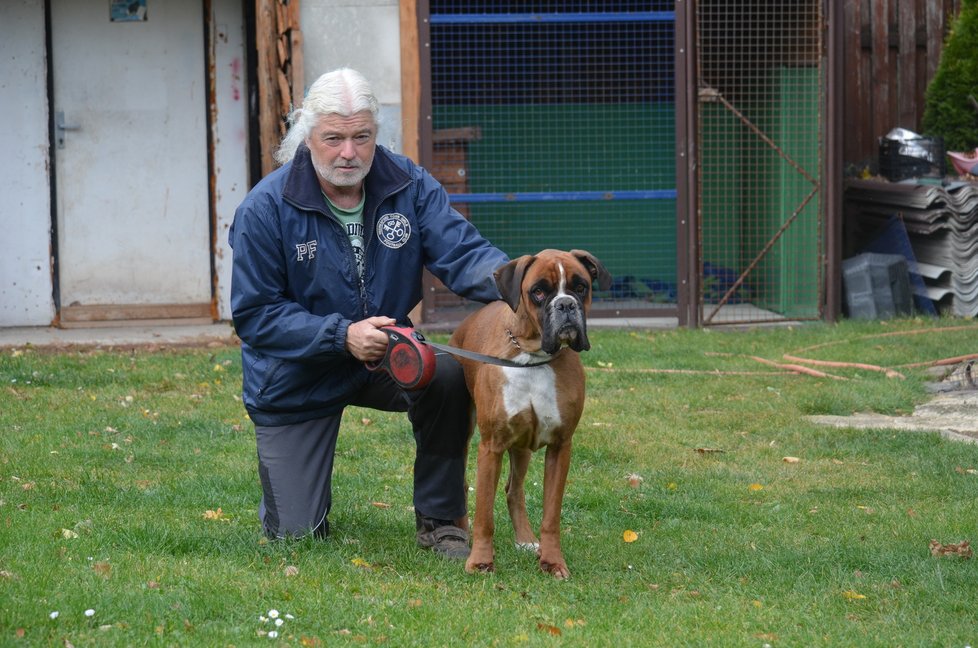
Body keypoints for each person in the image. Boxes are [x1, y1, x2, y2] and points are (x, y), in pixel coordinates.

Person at [228, 68, 508, 558]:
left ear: (377, 135)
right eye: (333, 138)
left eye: (362, 137)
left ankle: (441, 520)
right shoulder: (264, 208)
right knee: (295, 537)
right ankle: (298, 509)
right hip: (295, 375)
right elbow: (256, 315)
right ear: (306, 137)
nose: (349, 153)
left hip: (385, 353)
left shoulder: (408, 185)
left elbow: (463, 254)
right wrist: (342, 335)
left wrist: (522, 286)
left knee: (446, 373)